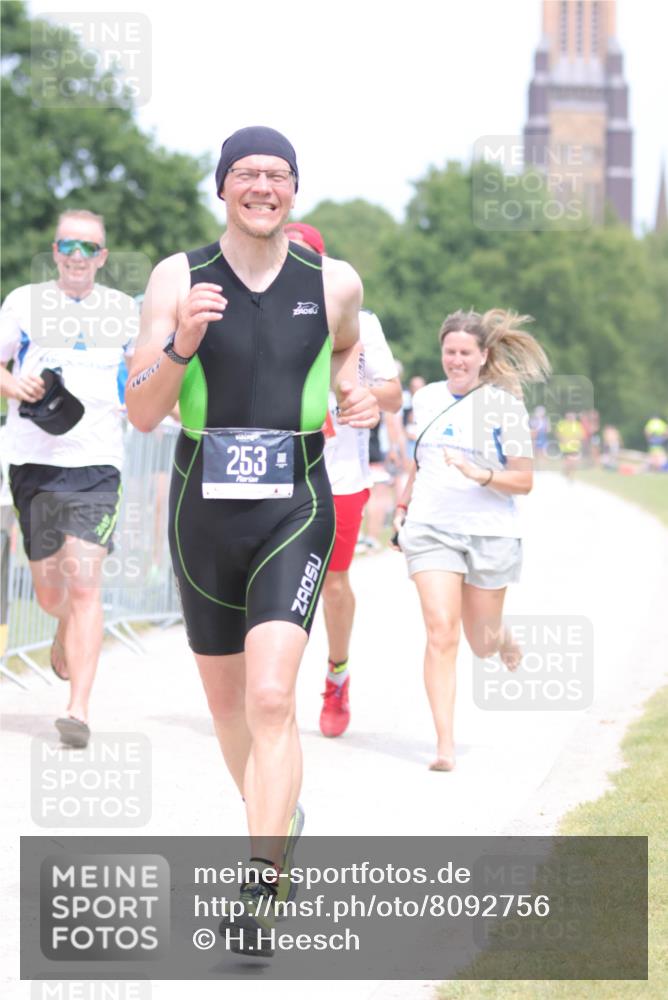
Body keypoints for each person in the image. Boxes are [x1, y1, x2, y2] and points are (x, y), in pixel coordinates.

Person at [125, 126, 378, 955]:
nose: (262, 186)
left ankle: (258, 890)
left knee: (272, 699)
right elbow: (141, 409)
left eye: (277, 174)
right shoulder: (178, 276)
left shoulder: (334, 282)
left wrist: (356, 391)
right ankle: (279, 823)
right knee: (229, 708)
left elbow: (343, 355)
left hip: (295, 507)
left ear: (294, 190)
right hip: (204, 506)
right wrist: (180, 343)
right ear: (222, 187)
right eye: (246, 173)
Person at [0, 209, 139, 748]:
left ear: (103, 256)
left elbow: (144, 372)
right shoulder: (24, 302)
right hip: (33, 460)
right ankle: (62, 626)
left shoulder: (123, 309)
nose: (78, 256)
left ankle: (78, 709)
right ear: (55, 251)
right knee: (51, 593)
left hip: (98, 464)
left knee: (84, 582)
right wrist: (15, 387)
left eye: (89, 248)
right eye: (68, 246)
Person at [392, 308, 550, 772]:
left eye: (465, 353)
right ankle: (444, 744)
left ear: (483, 355)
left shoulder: (505, 406)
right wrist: (401, 510)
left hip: (490, 533)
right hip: (431, 527)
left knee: (479, 641)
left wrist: (480, 474)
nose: (456, 360)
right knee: (441, 630)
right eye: (449, 352)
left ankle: (501, 637)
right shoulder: (425, 399)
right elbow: (420, 462)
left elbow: (524, 481)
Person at [284, 222, 402, 738]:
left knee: (332, 584)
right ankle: (271, 686)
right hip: (276, 472)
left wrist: (368, 399)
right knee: (270, 585)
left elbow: (394, 393)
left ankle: (337, 674)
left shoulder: (361, 322)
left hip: (339, 474)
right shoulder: (255, 314)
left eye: (302, 257)